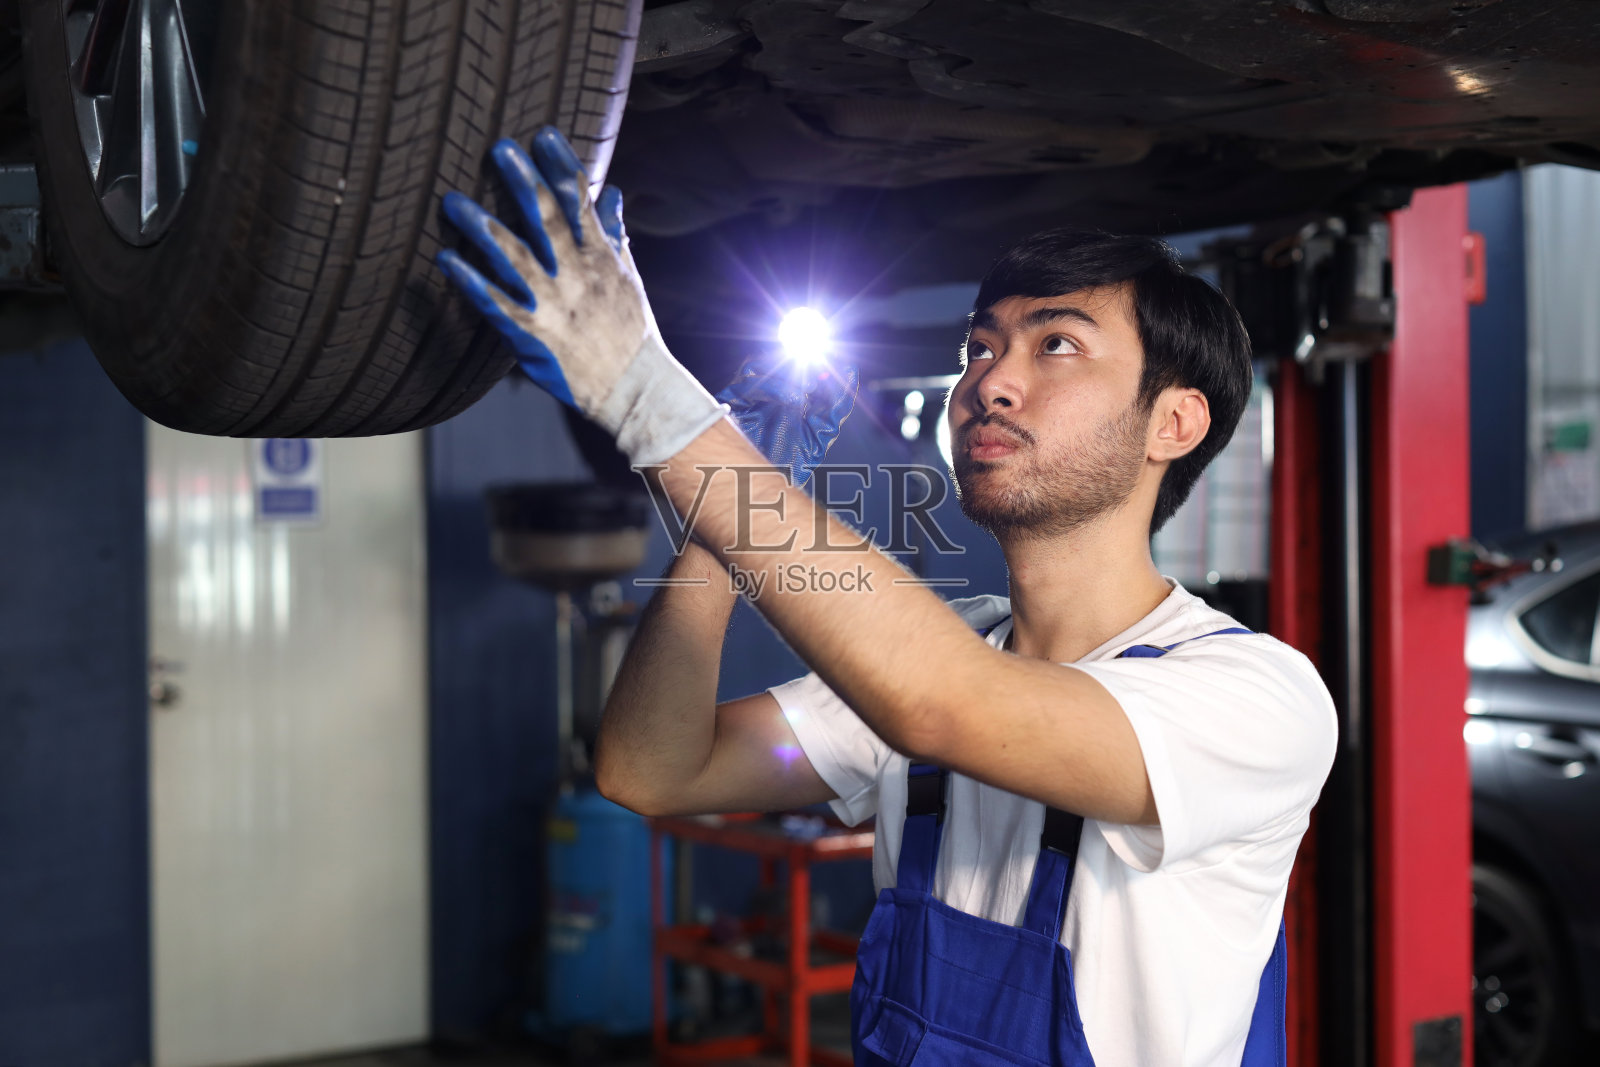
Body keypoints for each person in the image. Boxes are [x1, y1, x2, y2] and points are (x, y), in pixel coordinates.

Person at [437, 127, 1338, 1067]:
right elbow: (651, 768)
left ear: (1174, 421)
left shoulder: (1256, 697)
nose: (991, 381)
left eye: (1056, 344)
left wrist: (646, 397)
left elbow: (941, 704)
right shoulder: (952, 656)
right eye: (980, 346)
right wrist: (720, 525)